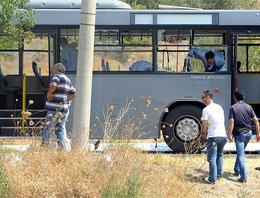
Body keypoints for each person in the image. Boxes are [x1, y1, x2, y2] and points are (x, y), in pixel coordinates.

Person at [227, 90, 260, 182]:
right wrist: (258, 133)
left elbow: (231, 121)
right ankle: (236, 170)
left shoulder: (232, 108)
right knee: (240, 152)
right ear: (244, 98)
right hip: (249, 133)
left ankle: (244, 177)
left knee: (241, 154)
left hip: (239, 134)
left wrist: (229, 134)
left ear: (235, 98)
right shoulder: (249, 107)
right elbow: (256, 120)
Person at [42, 63, 76, 151]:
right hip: (64, 109)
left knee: (47, 127)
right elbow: (73, 93)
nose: (52, 71)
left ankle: (44, 147)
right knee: (60, 128)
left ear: (57, 69)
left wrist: (49, 94)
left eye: (53, 69)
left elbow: (53, 85)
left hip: (55, 108)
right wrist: (65, 100)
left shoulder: (57, 76)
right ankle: (63, 149)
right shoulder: (68, 80)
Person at [201, 90, 227, 184]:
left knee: (211, 158)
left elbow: (204, 125)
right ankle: (219, 175)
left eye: (203, 97)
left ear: (208, 97)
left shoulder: (206, 109)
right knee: (219, 155)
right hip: (223, 136)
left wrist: (204, 134)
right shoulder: (219, 107)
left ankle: (212, 179)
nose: (202, 99)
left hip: (213, 136)